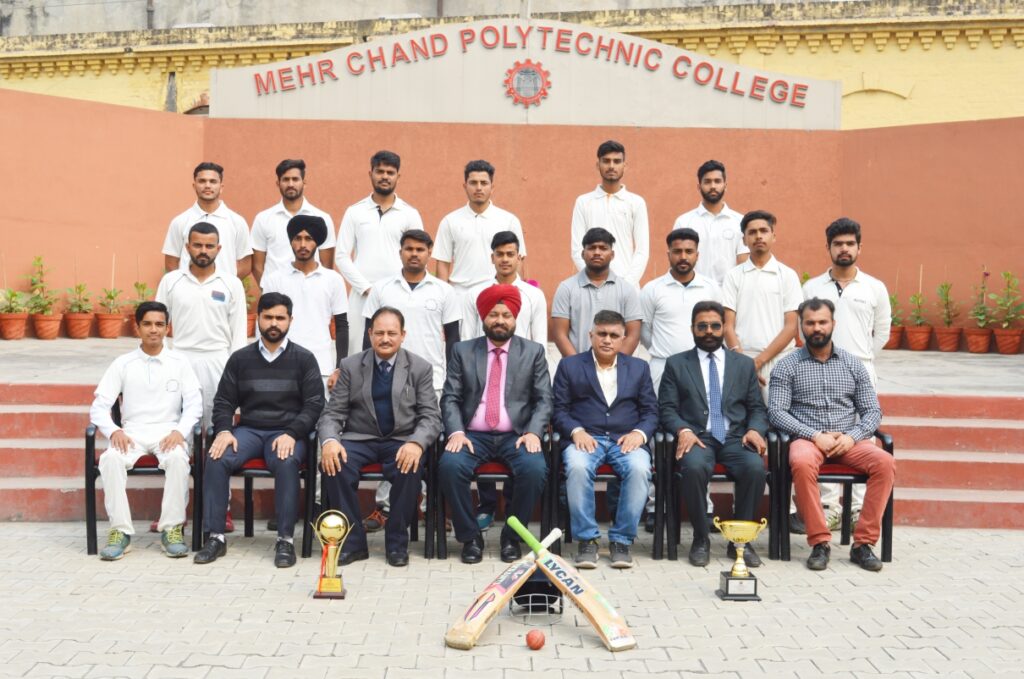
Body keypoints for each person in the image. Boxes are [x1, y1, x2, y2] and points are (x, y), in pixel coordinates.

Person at [194, 292, 325, 569]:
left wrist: (293, 432)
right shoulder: (240, 359)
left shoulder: (304, 358)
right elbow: (224, 401)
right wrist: (224, 431)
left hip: (287, 433)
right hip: (249, 431)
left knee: (286, 461)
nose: (274, 323)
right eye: (268, 317)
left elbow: (314, 404)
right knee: (217, 457)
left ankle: (285, 540)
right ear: (258, 319)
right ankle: (215, 537)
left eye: (280, 317)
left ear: (290, 320)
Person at [768, 298, 896, 572]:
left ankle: (863, 544)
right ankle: (819, 542)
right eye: (810, 323)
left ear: (833, 324)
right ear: (801, 326)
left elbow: (872, 411)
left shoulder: (853, 364)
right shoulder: (787, 366)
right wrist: (815, 435)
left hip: (848, 440)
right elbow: (776, 413)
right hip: (807, 439)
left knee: (884, 463)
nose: (817, 328)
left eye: (822, 322)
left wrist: (853, 436)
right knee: (801, 462)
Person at [318, 307, 442, 567]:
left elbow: (431, 416)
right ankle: (353, 544)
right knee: (334, 464)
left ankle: (396, 543)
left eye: (392, 333)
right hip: (360, 438)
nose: (385, 339)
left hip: (401, 440)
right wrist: (329, 441)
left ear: (402, 335)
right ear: (370, 334)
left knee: (411, 466)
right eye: (380, 333)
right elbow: (332, 413)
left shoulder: (420, 368)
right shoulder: (351, 366)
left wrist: (416, 443)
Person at [438, 284, 553, 564]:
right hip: (472, 435)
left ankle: (512, 537)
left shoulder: (533, 352)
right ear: (483, 317)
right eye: (493, 314)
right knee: (450, 466)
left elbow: (544, 399)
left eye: (506, 315)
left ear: (515, 318)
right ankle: (470, 537)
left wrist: (533, 432)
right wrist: (456, 431)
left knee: (535, 469)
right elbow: (450, 397)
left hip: (516, 435)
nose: (500, 320)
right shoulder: (463, 351)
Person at [361, 229, 460, 531]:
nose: (414, 254)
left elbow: (453, 340)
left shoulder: (444, 291)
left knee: (431, 445)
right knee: (390, 439)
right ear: (400, 252)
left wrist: (454, 380)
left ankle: (432, 509)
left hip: (434, 380)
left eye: (420, 249)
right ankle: (385, 507)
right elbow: (368, 336)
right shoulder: (382, 289)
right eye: (409, 249)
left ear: (430, 253)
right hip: (387, 378)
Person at [658, 301, 769, 568]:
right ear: (692, 329)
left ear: (724, 328)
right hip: (698, 437)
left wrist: (755, 430)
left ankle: (740, 541)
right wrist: (683, 430)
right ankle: (700, 538)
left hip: (735, 437)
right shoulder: (676, 364)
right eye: (702, 326)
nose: (709, 331)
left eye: (715, 326)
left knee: (754, 468)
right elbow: (666, 408)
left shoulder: (743, 364)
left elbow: (757, 407)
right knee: (694, 468)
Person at [90, 301, 202, 560]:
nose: (154, 330)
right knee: (110, 459)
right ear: (137, 327)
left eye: (160, 324)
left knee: (178, 459)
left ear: (167, 328)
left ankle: (171, 529)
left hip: (168, 433)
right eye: (148, 324)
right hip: (132, 433)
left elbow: (194, 405)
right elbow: (98, 407)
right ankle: (120, 531)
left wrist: (180, 431)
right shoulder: (123, 363)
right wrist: (114, 431)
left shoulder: (179, 362)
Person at [800, 217, 891, 530]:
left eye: (850, 243)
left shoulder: (874, 287)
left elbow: (882, 332)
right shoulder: (812, 287)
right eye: (838, 244)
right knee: (823, 432)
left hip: (861, 369)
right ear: (828, 247)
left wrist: (859, 359)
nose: (844, 249)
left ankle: (856, 508)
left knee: (861, 436)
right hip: (818, 368)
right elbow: (804, 328)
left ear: (859, 247)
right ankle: (828, 507)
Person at [552, 310, 657, 569]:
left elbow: (651, 411)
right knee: (577, 467)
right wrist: (576, 431)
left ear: (623, 339)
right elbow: (558, 409)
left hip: (626, 440)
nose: (607, 340)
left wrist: (639, 434)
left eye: (613, 335)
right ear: (591, 335)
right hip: (585, 438)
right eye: (602, 334)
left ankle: (621, 541)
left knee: (640, 469)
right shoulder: (570, 366)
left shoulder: (639, 368)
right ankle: (587, 540)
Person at [459, 230, 548, 531]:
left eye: (511, 254)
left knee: (519, 441)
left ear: (519, 257)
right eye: (500, 254)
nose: (505, 259)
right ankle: (485, 505)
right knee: (481, 424)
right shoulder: (477, 293)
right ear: (492, 257)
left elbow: (539, 339)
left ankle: (512, 512)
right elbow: (469, 337)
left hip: (521, 375)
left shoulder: (533, 295)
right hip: (483, 372)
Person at [336, 150, 424, 357]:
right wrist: (366, 288)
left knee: (400, 349)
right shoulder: (355, 211)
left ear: (398, 176)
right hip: (361, 295)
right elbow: (341, 256)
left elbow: (419, 256)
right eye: (380, 171)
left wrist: (401, 288)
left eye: (390, 172)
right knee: (358, 350)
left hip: (399, 293)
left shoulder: (410, 214)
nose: (385, 176)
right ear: (371, 174)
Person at [259, 215, 348, 390]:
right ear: (291, 242)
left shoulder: (333, 280)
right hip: (280, 367)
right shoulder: (274, 279)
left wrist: (339, 369)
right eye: (297, 238)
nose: (302, 245)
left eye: (308, 239)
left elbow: (342, 326)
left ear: (317, 242)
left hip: (321, 367)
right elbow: (263, 324)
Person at [722, 210, 802, 401]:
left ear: (773, 236)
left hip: (780, 360)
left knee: (779, 417)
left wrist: (758, 362)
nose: (758, 236)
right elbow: (727, 325)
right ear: (744, 239)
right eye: (752, 232)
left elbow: (791, 326)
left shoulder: (787, 275)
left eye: (764, 231)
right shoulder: (733, 276)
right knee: (742, 417)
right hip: (741, 360)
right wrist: (744, 365)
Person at [435, 160, 528, 306]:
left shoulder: (509, 220)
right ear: (465, 186)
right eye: (473, 183)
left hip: (498, 298)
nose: (478, 188)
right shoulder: (450, 221)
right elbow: (442, 263)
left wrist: (515, 297)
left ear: (492, 187)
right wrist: (443, 301)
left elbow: (518, 261)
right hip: (460, 297)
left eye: (484, 183)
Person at [640, 228, 722, 391]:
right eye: (677, 251)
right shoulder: (652, 289)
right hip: (662, 368)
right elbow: (644, 331)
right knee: (660, 408)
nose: (683, 257)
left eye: (689, 251)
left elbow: (719, 326)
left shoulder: (711, 288)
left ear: (697, 255)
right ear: (668, 254)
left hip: (702, 367)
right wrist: (662, 350)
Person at [552, 227, 642, 358]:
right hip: (576, 366)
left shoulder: (627, 290)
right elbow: (560, 334)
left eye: (603, 248)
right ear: (583, 254)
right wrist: (577, 366)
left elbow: (633, 335)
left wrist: (614, 365)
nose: (597, 252)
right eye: (592, 248)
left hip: (616, 367)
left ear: (612, 254)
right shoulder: (566, 288)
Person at [570, 140, 650, 286]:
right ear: (598, 165)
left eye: (617, 161)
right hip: (591, 286)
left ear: (624, 166)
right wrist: (594, 279)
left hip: (627, 286)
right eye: (606, 161)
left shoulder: (636, 203)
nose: (611, 166)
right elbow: (577, 249)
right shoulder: (583, 202)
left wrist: (626, 284)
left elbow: (642, 250)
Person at [250, 159, 336, 284]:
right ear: (278, 183)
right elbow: (257, 266)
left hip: (312, 290)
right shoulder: (263, 219)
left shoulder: (322, 218)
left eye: (295, 179)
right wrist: (268, 290)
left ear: (304, 182)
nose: (290, 184)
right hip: (276, 291)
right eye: (285, 179)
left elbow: (326, 265)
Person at [162, 161, 253, 279]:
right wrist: (185, 284)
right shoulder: (180, 221)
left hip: (224, 289)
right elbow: (171, 263)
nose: (207, 185)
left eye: (213, 181)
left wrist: (227, 284)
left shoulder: (237, 222)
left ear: (221, 187)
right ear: (194, 186)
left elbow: (245, 264)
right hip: (188, 289)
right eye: (202, 181)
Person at [671, 160, 747, 285]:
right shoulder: (684, 222)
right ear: (699, 186)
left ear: (725, 185)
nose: (713, 186)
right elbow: (676, 260)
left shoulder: (740, 222)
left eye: (717, 181)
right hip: (694, 291)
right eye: (707, 182)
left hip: (728, 292)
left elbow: (744, 264)